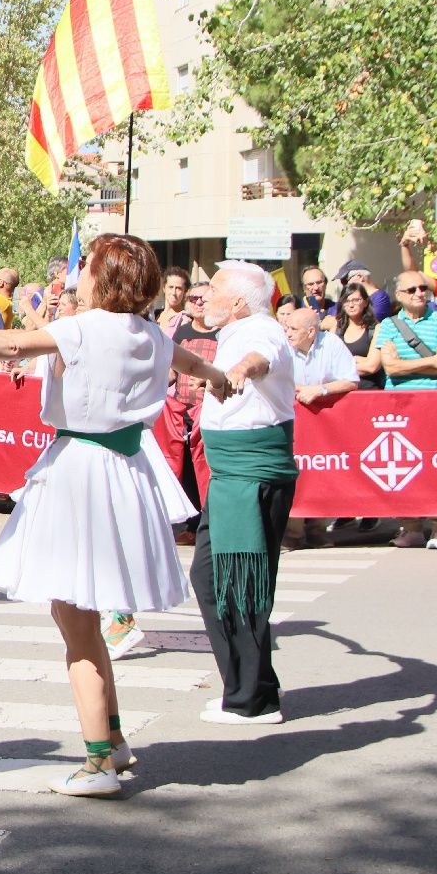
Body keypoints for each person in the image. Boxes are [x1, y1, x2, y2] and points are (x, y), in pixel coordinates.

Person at [0, 235, 228, 794]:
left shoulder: (81, 328)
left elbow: (5, 343)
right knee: (82, 614)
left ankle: (97, 762)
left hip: (81, 473)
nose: (79, 276)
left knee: (76, 620)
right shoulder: (151, 334)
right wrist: (220, 378)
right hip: (124, 472)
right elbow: (192, 362)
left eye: (87, 267)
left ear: (105, 278)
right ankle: (112, 739)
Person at [193, 261, 299, 725]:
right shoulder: (233, 332)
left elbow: (260, 359)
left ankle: (251, 699)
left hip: (251, 475)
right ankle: (253, 687)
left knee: (238, 582)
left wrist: (236, 371)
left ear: (237, 301)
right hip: (232, 474)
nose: (203, 295)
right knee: (213, 577)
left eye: (212, 289)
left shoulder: (262, 329)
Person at [375, 270, 437, 549]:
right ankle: (411, 526)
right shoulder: (390, 325)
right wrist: (428, 364)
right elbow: (389, 366)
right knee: (406, 464)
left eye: (423, 287)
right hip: (400, 407)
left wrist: (405, 365)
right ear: (399, 295)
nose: (420, 292)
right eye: (412, 289)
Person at [281, 307, 359, 550]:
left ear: (311, 331)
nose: (288, 333)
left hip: (323, 422)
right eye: (287, 327)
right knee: (295, 470)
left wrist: (320, 390)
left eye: (294, 329)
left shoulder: (332, 344)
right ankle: (293, 533)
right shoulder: (282, 346)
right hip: (292, 418)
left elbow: (351, 379)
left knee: (319, 469)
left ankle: (317, 530)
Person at [155, 280, 219, 542]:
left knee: (208, 470)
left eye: (203, 299)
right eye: (193, 299)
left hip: (211, 411)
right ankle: (192, 528)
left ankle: (211, 525)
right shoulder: (180, 332)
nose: (198, 303)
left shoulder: (223, 333)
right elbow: (171, 371)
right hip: (181, 411)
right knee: (187, 472)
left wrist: (209, 381)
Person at [329, 282, 385, 390]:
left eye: (356, 300)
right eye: (347, 301)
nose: (351, 305)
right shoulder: (336, 329)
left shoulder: (376, 329)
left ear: (365, 302)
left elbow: (372, 367)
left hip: (369, 392)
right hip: (341, 393)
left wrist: (341, 366)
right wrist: (358, 360)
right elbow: (327, 365)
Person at [156, 267, 190, 334]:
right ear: (164, 288)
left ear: (185, 291)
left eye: (178, 288)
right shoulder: (155, 315)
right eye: (171, 287)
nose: (174, 293)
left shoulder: (185, 320)